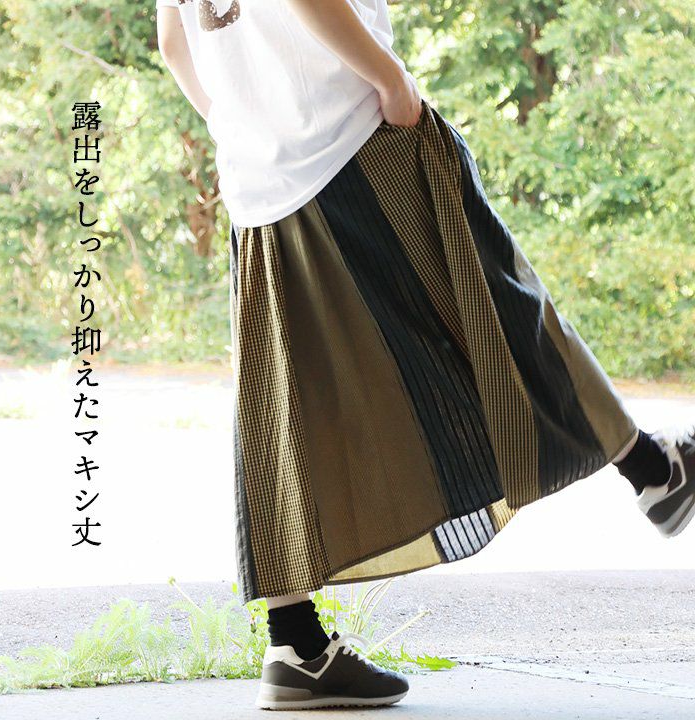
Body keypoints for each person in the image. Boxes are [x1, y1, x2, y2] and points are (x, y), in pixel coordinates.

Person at [155, 0, 695, 710]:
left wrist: (241, 123)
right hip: (357, 136)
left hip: (260, 183)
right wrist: (391, 79)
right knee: (494, 307)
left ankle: (294, 644)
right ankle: (654, 470)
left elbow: (174, 41)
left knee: (289, 400)